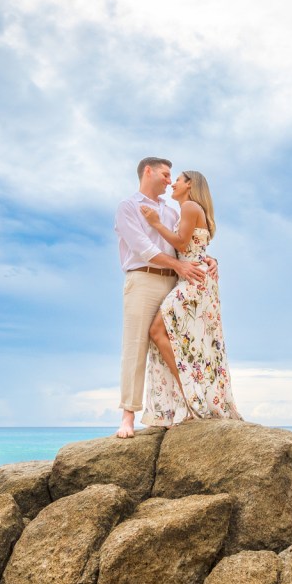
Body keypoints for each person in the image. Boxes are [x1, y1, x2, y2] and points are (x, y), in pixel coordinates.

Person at [114, 158, 208, 438]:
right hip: (143, 278)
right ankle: (128, 416)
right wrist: (179, 265)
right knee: (135, 345)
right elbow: (141, 247)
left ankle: (179, 407)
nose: (169, 180)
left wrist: (207, 260)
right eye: (166, 175)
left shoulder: (170, 212)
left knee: (173, 344)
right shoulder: (127, 207)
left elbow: (184, 244)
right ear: (148, 172)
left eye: (171, 177)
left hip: (175, 282)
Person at [137, 170, 240, 427]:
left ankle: (190, 398)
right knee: (184, 340)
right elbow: (194, 248)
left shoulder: (191, 206)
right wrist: (211, 259)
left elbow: (183, 245)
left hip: (193, 281)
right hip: (194, 278)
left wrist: (155, 223)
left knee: (158, 331)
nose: (173, 183)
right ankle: (190, 399)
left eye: (179, 180)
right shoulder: (190, 208)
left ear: (190, 184)